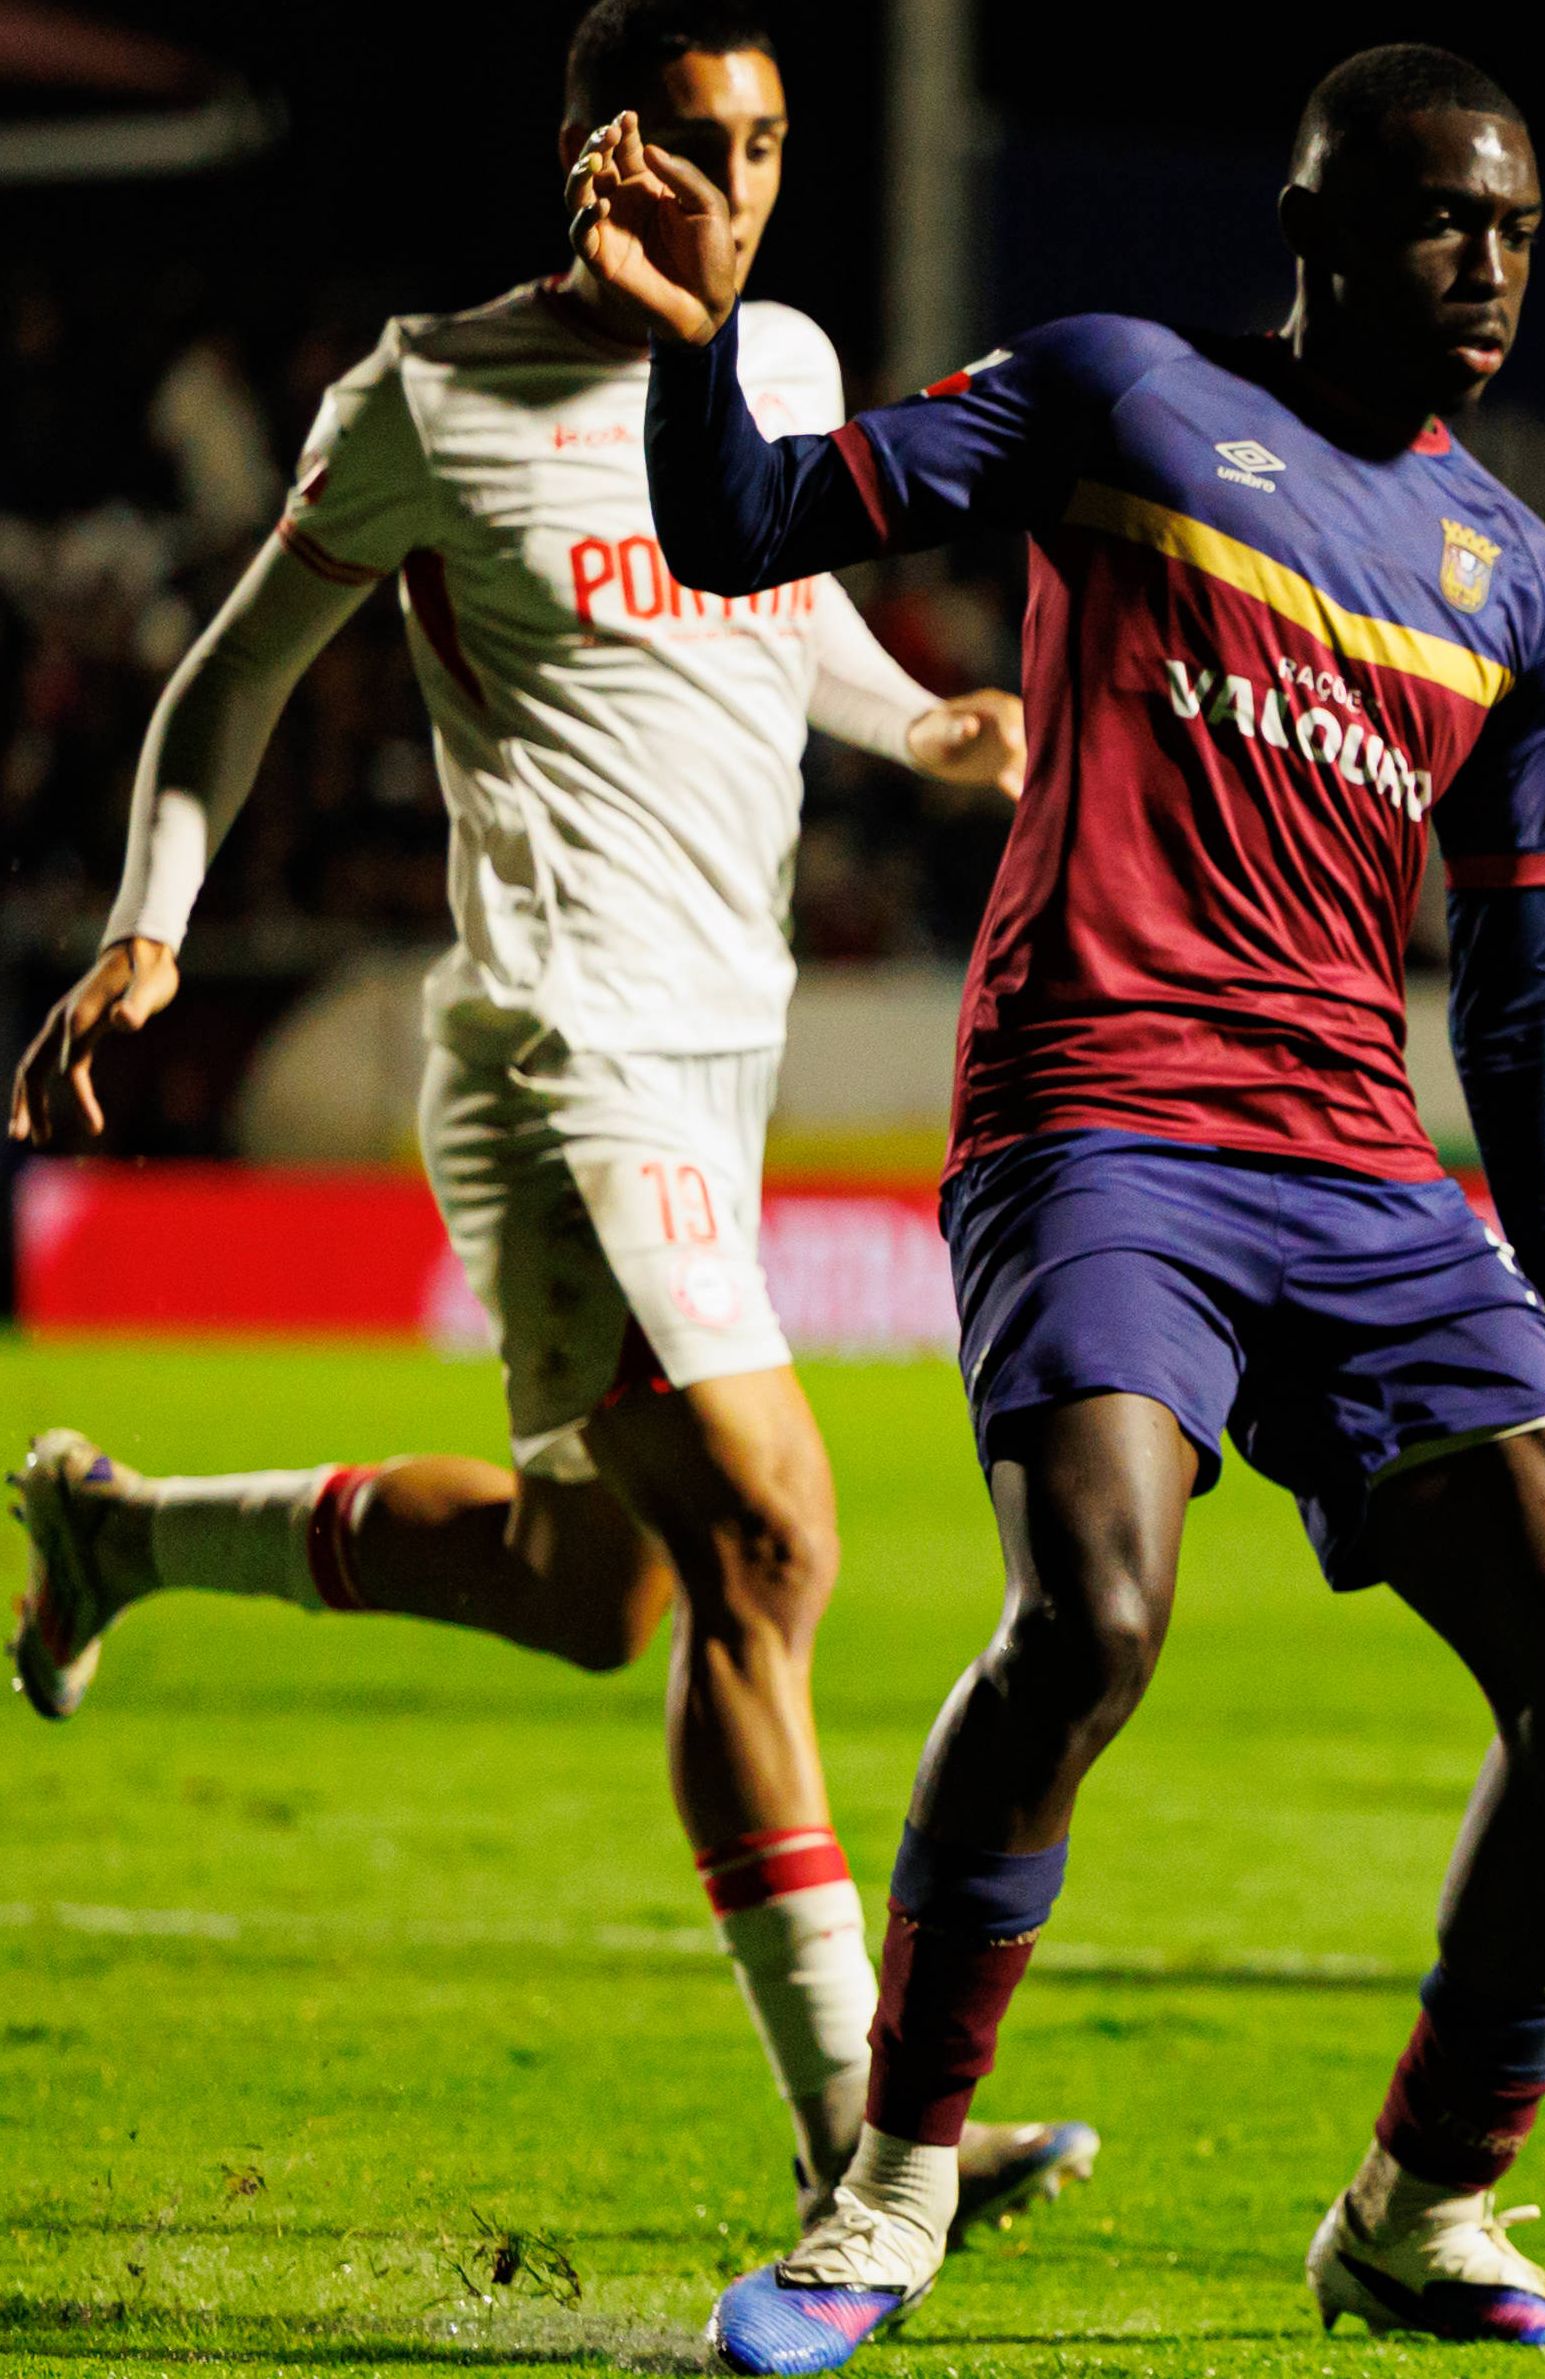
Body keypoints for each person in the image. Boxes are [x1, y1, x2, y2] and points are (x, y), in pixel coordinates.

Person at [579, 39, 1545, 2366]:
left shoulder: (1526, 584)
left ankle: (1421, 2206)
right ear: (1310, 230)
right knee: (1089, 1615)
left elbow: (1519, 993)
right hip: (1099, 1116)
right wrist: (693, 348)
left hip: (1358, 1170)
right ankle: (883, 2183)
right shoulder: (1119, 395)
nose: (1486, 268)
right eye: (1435, 221)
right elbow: (745, 526)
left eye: (1512, 228)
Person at [4, 0, 1094, 2246]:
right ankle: (867, 2147)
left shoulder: (777, 370)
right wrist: (150, 921)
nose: (748, 184)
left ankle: (120, 1533)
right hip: (552, 1045)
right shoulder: (426, 393)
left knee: (590, 1591)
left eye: (776, 141)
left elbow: (782, 609)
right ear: (608, 153)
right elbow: (231, 679)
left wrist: (923, 725)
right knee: (772, 1543)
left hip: (716, 1045)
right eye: (706, 141)